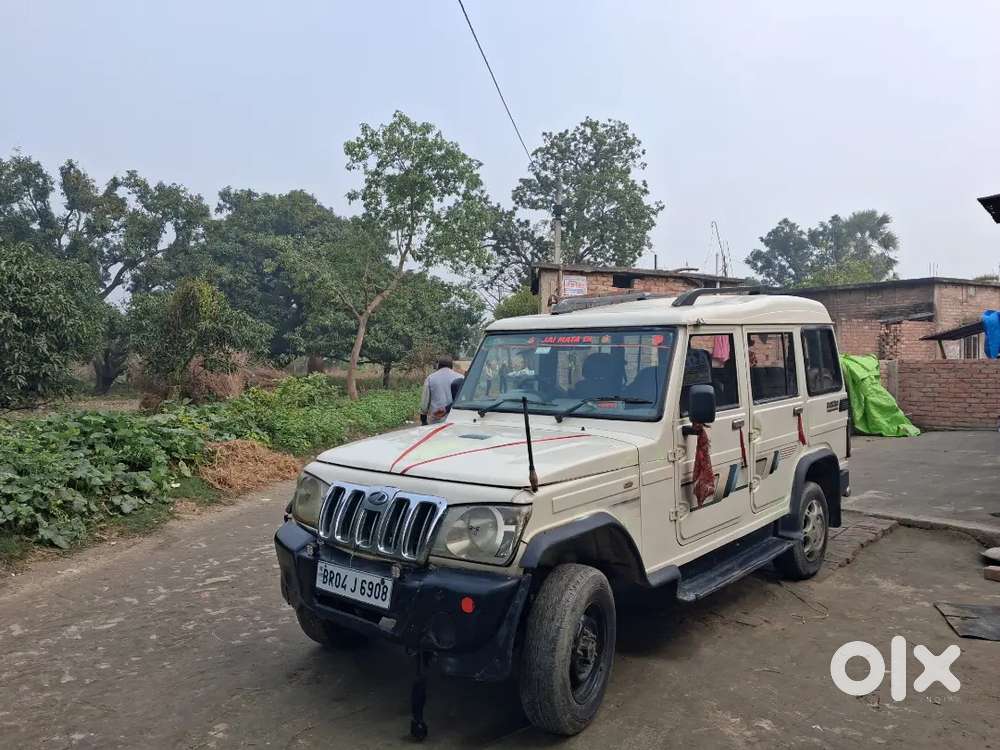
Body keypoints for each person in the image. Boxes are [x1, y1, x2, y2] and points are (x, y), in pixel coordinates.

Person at [420, 355, 463, 425]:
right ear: (451, 366)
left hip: (436, 420)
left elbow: (425, 402)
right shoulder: (461, 377)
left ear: (439, 365)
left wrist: (423, 420)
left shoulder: (430, 378)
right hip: (456, 419)